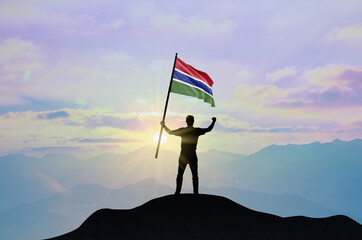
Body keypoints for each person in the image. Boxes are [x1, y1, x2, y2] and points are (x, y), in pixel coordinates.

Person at [161, 115, 216, 195]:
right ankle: (195, 193)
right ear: (193, 121)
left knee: (180, 174)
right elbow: (208, 129)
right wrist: (213, 122)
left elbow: (170, 132)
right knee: (194, 175)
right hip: (192, 155)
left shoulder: (183, 131)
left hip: (184, 155)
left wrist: (163, 126)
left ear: (186, 122)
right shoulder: (196, 131)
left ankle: (177, 192)